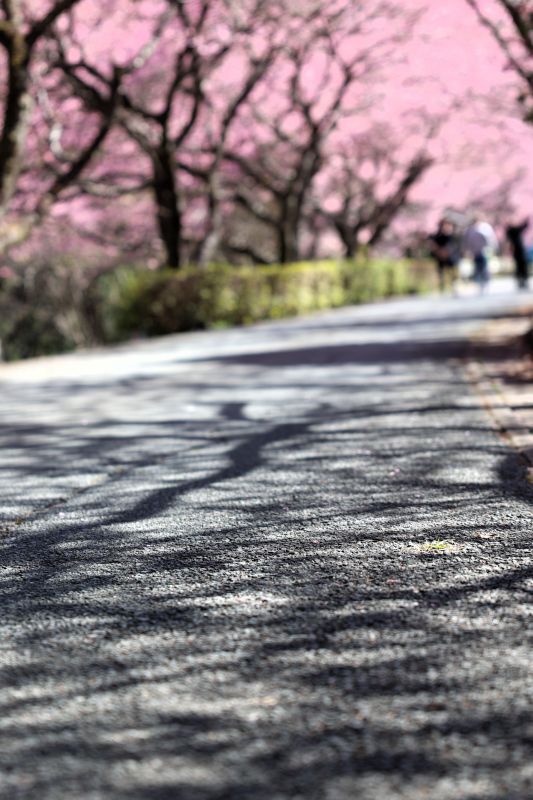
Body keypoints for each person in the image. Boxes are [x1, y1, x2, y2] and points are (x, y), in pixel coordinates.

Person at [463, 215, 498, 292]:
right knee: (477, 267)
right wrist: (468, 251)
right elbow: (467, 242)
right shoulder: (470, 230)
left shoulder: (484, 228)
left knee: (484, 266)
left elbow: (490, 239)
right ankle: (479, 283)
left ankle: (485, 282)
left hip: (484, 251)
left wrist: (492, 249)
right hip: (475, 251)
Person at [428, 218, 461, 293]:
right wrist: (439, 251)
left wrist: (448, 251)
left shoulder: (452, 236)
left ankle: (453, 285)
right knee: (441, 271)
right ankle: (441, 287)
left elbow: (455, 245)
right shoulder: (437, 236)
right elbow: (433, 244)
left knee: (452, 271)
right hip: (440, 257)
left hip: (450, 256)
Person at [505, 218, 529, 289]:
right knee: (521, 266)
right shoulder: (513, 230)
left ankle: (522, 280)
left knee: (520, 266)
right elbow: (523, 226)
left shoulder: (510, 231)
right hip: (518, 250)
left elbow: (523, 226)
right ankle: (522, 280)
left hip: (517, 251)